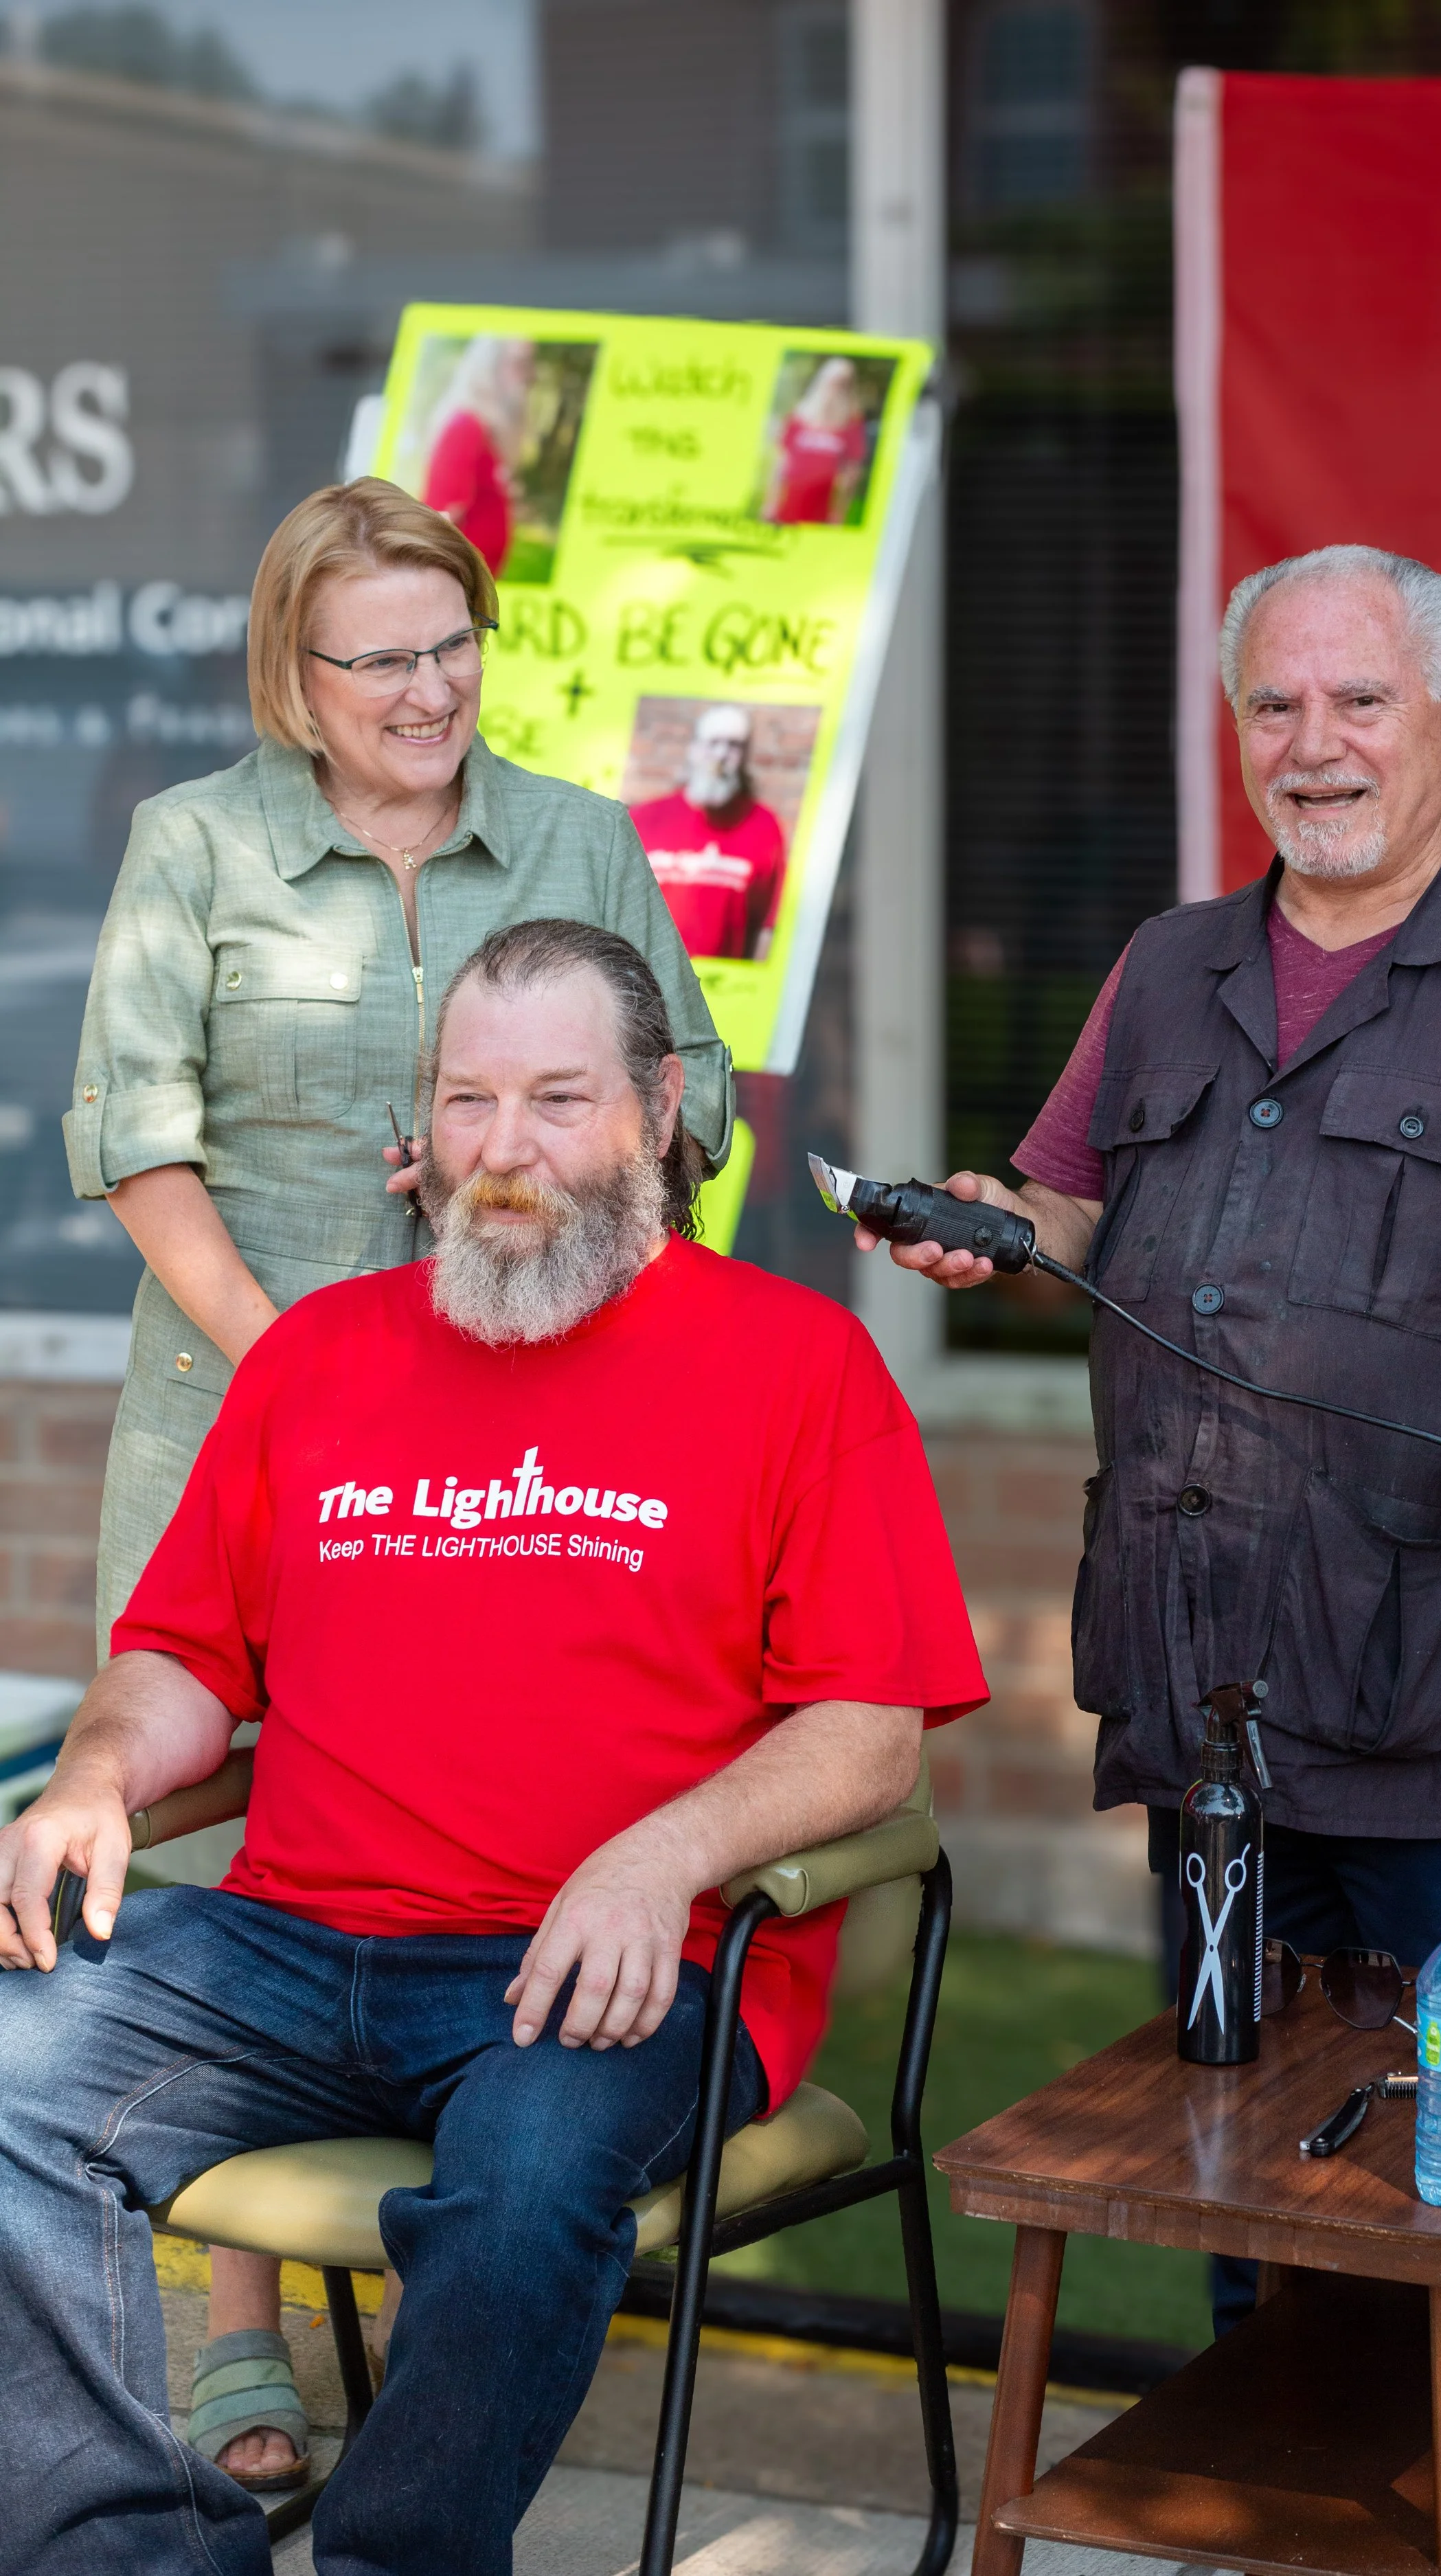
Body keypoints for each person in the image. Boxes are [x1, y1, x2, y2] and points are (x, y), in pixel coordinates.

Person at [862, 543, 1441, 2575]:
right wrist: (986, 1215)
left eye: (1353, 703)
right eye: (1273, 707)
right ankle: (1270, 2512)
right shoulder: (1167, 968)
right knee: (1225, 2126)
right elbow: (1068, 1203)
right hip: (1207, 1675)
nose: (1310, 745)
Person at [0, 920, 985, 2576]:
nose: (502, 1151)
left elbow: (867, 1733)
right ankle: (125, 2551)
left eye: (555, 1097)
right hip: (290, 1945)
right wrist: (96, 1773)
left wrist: (659, 1850)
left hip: (612, 1963)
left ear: (662, 1107)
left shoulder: (794, 1362)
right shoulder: (323, 1355)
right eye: (467, 1100)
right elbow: (179, 1655)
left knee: (529, 2168)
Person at [65, 474, 733, 2492]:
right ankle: (236, 2354)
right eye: (380, 657)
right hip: (240, 1426)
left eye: (451, 644)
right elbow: (137, 1140)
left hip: (532, 1466)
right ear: (297, 670)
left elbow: (683, 1109)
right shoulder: (194, 846)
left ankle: (471, 2272)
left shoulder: (581, 838)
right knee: (197, 1854)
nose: (426, 688)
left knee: (469, 1822)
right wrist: (309, 1376)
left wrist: (543, 1167)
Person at [628, 703, 788, 961]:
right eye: (713, 743)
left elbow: (768, 927)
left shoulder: (763, 826)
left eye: (734, 745)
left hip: (721, 989)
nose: (722, 754)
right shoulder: (645, 819)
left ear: (746, 755)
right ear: (693, 749)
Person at [420, 336, 535, 575]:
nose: (529, 375)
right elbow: (442, 516)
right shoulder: (465, 426)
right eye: (519, 363)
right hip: (456, 581)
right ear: (490, 365)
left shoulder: (487, 431)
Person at [761, 357, 870, 528]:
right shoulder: (798, 417)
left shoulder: (852, 423)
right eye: (834, 382)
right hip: (790, 502)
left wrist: (840, 511)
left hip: (823, 509)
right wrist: (770, 503)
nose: (836, 389)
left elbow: (852, 471)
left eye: (843, 383)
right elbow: (781, 462)